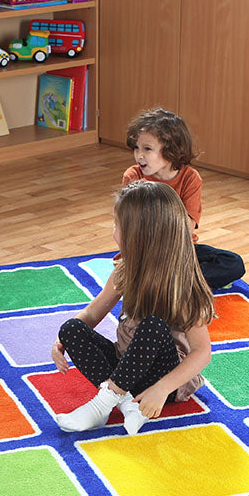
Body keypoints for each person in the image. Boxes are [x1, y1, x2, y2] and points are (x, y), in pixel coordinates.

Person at [52, 180, 215, 435]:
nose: (113, 231)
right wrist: (61, 339)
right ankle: (125, 402)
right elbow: (92, 312)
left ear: (140, 235)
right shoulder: (125, 270)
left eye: (117, 225)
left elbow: (202, 352)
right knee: (71, 328)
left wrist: (161, 389)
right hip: (125, 368)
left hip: (164, 379)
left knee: (153, 326)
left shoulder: (180, 286)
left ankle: (103, 403)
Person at [124, 107, 245, 290]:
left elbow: (187, 227)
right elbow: (132, 225)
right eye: (136, 148)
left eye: (147, 149)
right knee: (141, 268)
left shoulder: (190, 178)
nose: (139, 155)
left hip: (181, 250)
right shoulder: (133, 176)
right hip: (146, 252)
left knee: (233, 263)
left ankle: (173, 282)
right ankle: (181, 282)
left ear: (171, 150)